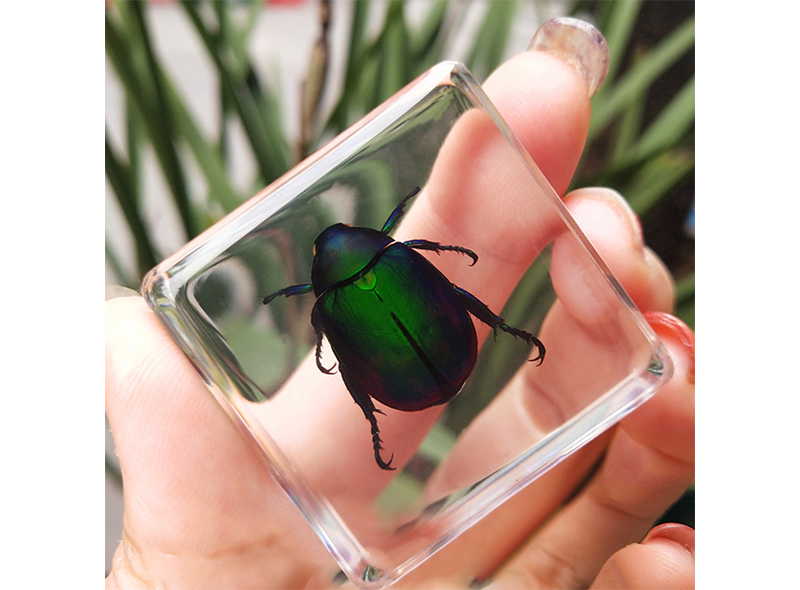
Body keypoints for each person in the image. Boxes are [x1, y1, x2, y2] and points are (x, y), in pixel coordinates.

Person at [105, 17, 694, 590]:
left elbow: (343, 346)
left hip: (406, 385)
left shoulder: (328, 307)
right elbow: (421, 268)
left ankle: (378, 419)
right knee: (451, 291)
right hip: (443, 355)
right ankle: (498, 337)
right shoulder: (391, 253)